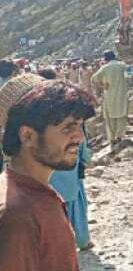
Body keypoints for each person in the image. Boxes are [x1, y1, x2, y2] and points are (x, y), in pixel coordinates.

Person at [0, 75, 95, 270]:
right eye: (67, 127)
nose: (79, 137)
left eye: (79, 126)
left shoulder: (37, 194)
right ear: (27, 135)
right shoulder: (17, 215)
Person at [92, 50, 129, 150]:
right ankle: (120, 136)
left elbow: (93, 79)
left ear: (106, 59)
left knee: (110, 117)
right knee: (121, 115)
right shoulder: (123, 65)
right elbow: (130, 74)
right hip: (122, 94)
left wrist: (103, 85)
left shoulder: (104, 68)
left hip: (109, 95)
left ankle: (112, 138)